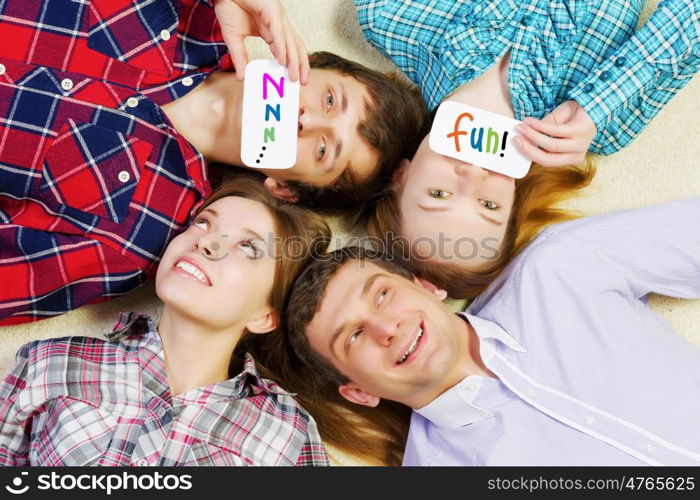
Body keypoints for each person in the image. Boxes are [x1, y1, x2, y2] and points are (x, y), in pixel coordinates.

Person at [0, 0, 427, 325]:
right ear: (309, 60)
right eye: (330, 100)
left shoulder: (136, 236)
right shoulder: (203, 12)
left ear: (284, 187)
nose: (308, 119)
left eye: (322, 150)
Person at [280, 196, 700, 465]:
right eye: (352, 337)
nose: (385, 328)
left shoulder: (557, 270)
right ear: (359, 393)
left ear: (428, 286)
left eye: (383, 295)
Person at [361, 0, 699, 298]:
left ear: (402, 175)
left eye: (439, 194)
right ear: (512, 201)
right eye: (489, 204)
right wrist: (600, 102)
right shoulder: (608, 125)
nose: (474, 175)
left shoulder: (387, 17)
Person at [0, 174, 331, 466]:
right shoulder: (52, 363)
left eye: (248, 246)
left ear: (264, 316)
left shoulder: (288, 435)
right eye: (203, 222)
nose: (206, 242)